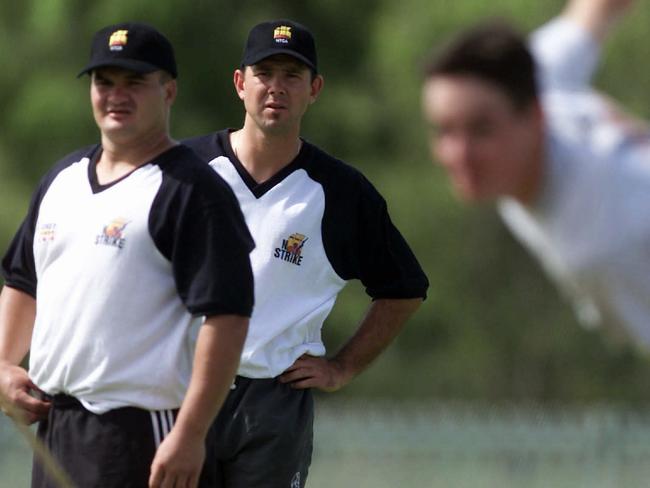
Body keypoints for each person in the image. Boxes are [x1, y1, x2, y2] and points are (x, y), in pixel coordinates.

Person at [0, 22, 255, 488]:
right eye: (104, 82)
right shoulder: (62, 179)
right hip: (56, 424)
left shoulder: (192, 191)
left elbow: (229, 316)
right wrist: (3, 366)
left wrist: (191, 432)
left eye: (135, 82)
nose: (117, 95)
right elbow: (21, 281)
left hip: (140, 431)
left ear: (169, 91)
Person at [184, 19, 429, 487]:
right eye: (265, 73)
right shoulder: (185, 169)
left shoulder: (341, 191)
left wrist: (342, 367)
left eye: (292, 76)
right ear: (240, 83)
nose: (277, 88)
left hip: (272, 405)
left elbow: (404, 290)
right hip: (180, 389)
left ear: (314, 88)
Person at [420, 0, 650, 343]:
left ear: (535, 117)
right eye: (444, 130)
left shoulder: (603, 247)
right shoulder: (535, 75)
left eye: (481, 129)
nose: (458, 154)